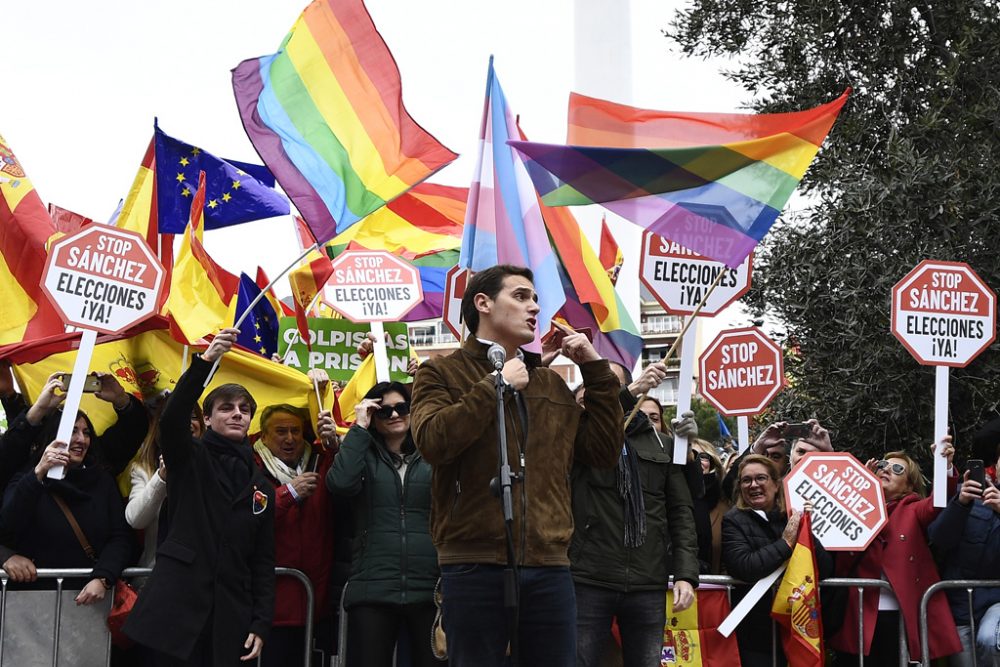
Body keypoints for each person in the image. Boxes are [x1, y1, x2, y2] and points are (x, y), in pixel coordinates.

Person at [410, 264, 623, 667]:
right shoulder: (440, 372)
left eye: (536, 299)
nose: (534, 308)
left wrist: (595, 370)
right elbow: (434, 442)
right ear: (483, 303)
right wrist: (496, 387)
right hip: (473, 562)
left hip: (549, 563)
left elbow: (602, 454)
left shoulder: (549, 383)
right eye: (522, 296)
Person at [124, 328, 276, 666]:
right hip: (176, 612)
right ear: (206, 418)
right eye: (226, 408)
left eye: (244, 409)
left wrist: (261, 621)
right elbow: (174, 417)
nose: (237, 413)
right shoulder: (189, 456)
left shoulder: (262, 486)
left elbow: (262, 561)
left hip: (227, 619)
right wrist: (206, 363)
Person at [570, 360, 699, 667]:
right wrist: (628, 393)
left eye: (610, 384)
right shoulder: (576, 434)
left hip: (647, 582)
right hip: (589, 577)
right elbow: (595, 423)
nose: (602, 391)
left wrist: (685, 574)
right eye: (594, 384)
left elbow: (681, 512)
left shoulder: (662, 443)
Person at [327, 381, 439, 667]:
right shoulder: (362, 454)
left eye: (401, 408)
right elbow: (339, 484)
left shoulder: (433, 456)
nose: (393, 415)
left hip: (428, 587)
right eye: (383, 410)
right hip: (373, 587)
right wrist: (359, 427)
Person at [829, 438, 962, 663]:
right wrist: (857, 487)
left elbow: (937, 502)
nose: (886, 469)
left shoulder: (913, 509)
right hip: (857, 616)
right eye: (882, 465)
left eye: (897, 468)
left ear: (909, 486)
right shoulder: (852, 509)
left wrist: (945, 466)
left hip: (898, 615)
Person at [721, 454, 832, 666]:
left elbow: (824, 569)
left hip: (796, 626)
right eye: (746, 480)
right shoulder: (733, 520)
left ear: (775, 483)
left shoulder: (791, 517)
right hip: (756, 632)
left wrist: (807, 532)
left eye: (761, 478)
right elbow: (744, 566)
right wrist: (786, 543)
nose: (753, 485)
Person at [253, 400, 338, 667]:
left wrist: (334, 443)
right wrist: (288, 494)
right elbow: (248, 517)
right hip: (269, 609)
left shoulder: (320, 461)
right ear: (263, 436)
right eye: (280, 431)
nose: (290, 439)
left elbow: (346, 479)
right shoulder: (249, 466)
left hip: (316, 604)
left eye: (296, 431)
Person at [929, 453, 1000, 667]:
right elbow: (938, 540)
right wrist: (961, 504)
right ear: (995, 464)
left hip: (996, 601)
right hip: (959, 605)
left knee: (989, 641)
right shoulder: (966, 492)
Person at [125, 403, 204, 571]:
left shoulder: (216, 466)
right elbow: (135, 520)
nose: (186, 423)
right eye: (177, 417)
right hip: (157, 573)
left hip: (204, 575)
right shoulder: (143, 469)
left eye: (193, 416)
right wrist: (161, 478)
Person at [690, 438, 730, 574]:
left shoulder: (726, 507)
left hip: (715, 591)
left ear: (713, 464)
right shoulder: (667, 500)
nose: (697, 461)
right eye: (691, 454)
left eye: (703, 457)